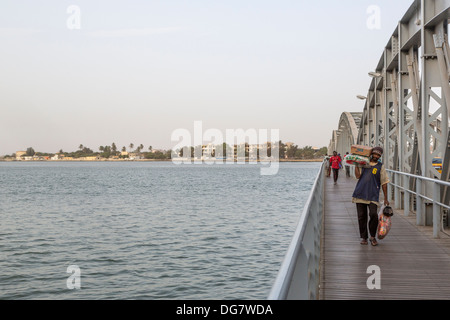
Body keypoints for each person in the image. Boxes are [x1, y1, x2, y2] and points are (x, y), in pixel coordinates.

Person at [352, 146, 390, 246]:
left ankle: (372, 236)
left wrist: (386, 198)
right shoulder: (363, 163)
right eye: (375, 154)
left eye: (378, 155)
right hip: (360, 193)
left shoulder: (380, 166)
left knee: (373, 215)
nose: (376, 156)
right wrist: (356, 165)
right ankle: (364, 237)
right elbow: (357, 176)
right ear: (371, 153)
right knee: (361, 217)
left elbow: (384, 183)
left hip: (373, 195)